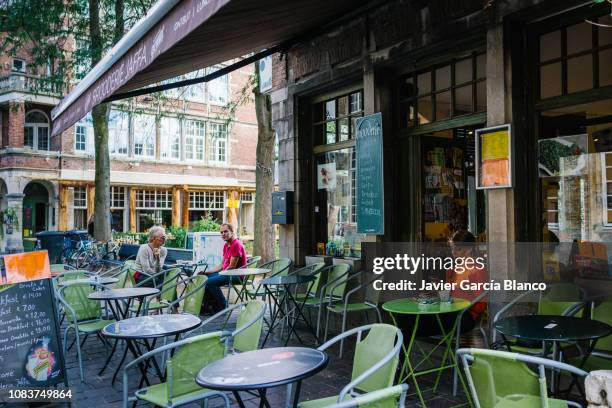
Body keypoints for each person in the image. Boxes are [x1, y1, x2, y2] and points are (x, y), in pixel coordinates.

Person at [445, 229, 488, 333]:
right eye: (452, 248)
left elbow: (482, 302)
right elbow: (447, 296)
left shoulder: (477, 270)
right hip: (451, 313)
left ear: (469, 249)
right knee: (407, 321)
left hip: (464, 316)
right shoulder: (453, 269)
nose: (453, 252)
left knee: (410, 324)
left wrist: (461, 308)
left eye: (458, 249)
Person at [201, 223, 247, 312]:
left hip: (236, 275)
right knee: (204, 278)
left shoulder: (236, 244)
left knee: (209, 282)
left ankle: (222, 305)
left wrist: (219, 275)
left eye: (226, 231)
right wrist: (207, 272)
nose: (223, 234)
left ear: (232, 232)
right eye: (221, 232)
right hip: (227, 273)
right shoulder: (226, 245)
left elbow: (232, 267)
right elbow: (221, 265)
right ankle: (210, 305)